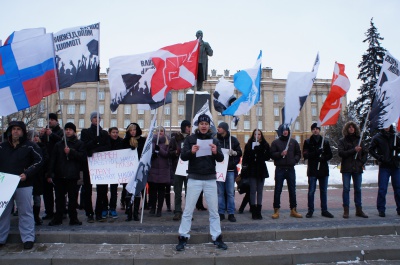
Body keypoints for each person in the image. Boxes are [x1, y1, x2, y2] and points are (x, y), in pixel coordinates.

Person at [176, 114, 227, 251]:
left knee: (214, 211)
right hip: (194, 178)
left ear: (209, 125)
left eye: (206, 123)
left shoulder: (214, 140)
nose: (204, 126)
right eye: (201, 123)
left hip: (210, 178)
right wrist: (191, 152)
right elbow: (183, 156)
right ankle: (183, 236)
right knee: (188, 210)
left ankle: (217, 237)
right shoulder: (190, 139)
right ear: (197, 125)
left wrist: (216, 152)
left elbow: (221, 158)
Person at [0, 121, 44, 250]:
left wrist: (27, 173)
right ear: (10, 131)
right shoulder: (2, 147)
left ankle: (28, 238)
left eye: (18, 129)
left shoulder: (30, 146)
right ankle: (1, 238)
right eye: (13, 129)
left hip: (24, 184)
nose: (15, 131)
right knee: (3, 213)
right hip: (5, 186)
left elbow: (40, 160)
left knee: (25, 212)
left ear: (23, 132)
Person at [48, 122, 86, 226]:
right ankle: (58, 218)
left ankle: (73, 218)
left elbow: (82, 157)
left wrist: (71, 152)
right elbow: (53, 160)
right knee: (59, 199)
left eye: (70, 129)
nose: (68, 131)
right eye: (66, 129)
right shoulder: (59, 144)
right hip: (60, 175)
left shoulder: (79, 144)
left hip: (72, 175)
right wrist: (50, 173)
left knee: (73, 199)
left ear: (74, 131)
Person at [80, 111, 110, 222]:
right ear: (91, 119)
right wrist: (94, 142)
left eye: (98, 118)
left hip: (101, 165)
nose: (96, 119)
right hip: (88, 164)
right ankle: (89, 213)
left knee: (102, 190)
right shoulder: (85, 132)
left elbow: (107, 147)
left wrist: (95, 150)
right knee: (87, 190)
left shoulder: (104, 133)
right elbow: (84, 146)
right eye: (94, 118)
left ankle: (98, 213)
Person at [302, 123, 334, 218]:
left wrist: (323, 158)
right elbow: (306, 155)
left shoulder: (325, 142)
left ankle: (324, 210)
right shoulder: (307, 142)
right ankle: (310, 210)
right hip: (312, 170)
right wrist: (316, 152)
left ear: (319, 130)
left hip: (323, 170)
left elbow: (330, 155)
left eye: (317, 129)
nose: (315, 130)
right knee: (311, 191)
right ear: (312, 130)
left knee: (323, 191)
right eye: (314, 129)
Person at [270, 124, 302, 219]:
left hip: (290, 169)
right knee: (278, 190)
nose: (285, 131)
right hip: (280, 169)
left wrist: (294, 160)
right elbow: (272, 154)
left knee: (292, 190)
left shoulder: (293, 142)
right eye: (283, 130)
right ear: (280, 131)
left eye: (286, 130)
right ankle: (276, 210)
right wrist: (280, 154)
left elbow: (298, 153)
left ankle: (293, 209)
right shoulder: (276, 142)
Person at [338, 121, 368, 218]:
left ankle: (359, 210)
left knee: (358, 189)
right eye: (349, 127)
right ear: (346, 129)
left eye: (352, 127)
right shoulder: (342, 141)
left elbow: (365, 153)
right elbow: (341, 153)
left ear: (355, 129)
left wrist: (361, 162)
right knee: (346, 189)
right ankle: (346, 210)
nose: (351, 128)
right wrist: (353, 150)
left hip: (357, 168)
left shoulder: (359, 140)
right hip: (346, 168)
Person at [369, 124, 400, 217]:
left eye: (388, 125)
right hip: (384, 166)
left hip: (395, 166)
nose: (387, 127)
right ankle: (381, 209)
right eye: (385, 125)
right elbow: (371, 150)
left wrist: (397, 149)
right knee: (382, 189)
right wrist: (379, 157)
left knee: (398, 188)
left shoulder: (395, 137)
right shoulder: (377, 137)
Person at [216, 122, 242, 222]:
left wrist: (234, 153)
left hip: (230, 169)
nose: (218, 129)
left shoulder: (233, 140)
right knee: (220, 192)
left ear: (225, 129)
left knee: (230, 192)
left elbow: (240, 152)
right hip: (219, 169)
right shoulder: (216, 140)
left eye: (220, 127)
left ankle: (231, 213)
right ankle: (221, 212)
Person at [242, 129, 270, 220]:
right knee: (253, 190)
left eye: (259, 134)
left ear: (261, 135)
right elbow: (245, 158)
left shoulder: (265, 144)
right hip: (252, 169)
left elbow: (267, 157)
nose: (257, 136)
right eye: (255, 134)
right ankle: (253, 211)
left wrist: (260, 151)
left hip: (261, 170)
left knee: (260, 190)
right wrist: (252, 152)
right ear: (253, 135)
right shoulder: (249, 144)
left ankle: (259, 211)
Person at [39, 113, 63, 221]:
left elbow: (62, 142)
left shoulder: (61, 131)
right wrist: (41, 136)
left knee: (59, 192)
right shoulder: (45, 132)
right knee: (47, 191)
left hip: (58, 165)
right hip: (46, 165)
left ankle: (60, 212)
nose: (50, 121)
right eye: (48, 120)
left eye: (52, 119)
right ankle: (49, 211)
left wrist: (51, 134)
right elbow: (41, 146)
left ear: (57, 121)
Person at [122, 123, 146, 221]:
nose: (133, 132)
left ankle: (135, 213)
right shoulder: (124, 141)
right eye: (131, 130)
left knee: (137, 192)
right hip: (127, 170)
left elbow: (146, 154)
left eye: (134, 130)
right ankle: (129, 212)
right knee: (128, 191)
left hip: (138, 170)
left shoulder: (142, 141)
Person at [169, 120, 191, 221]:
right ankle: (177, 211)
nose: (189, 128)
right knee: (177, 191)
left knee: (189, 192)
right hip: (178, 167)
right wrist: (175, 152)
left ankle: (188, 212)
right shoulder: (175, 138)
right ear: (184, 127)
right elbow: (169, 152)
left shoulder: (192, 138)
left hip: (189, 168)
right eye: (188, 126)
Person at [147, 127, 170, 217]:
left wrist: (159, 149)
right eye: (158, 131)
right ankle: (153, 207)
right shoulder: (151, 142)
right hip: (153, 169)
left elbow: (167, 154)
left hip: (163, 170)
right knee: (152, 191)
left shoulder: (167, 142)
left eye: (162, 131)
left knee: (161, 191)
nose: (160, 133)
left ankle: (159, 209)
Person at [28, 130, 49, 226]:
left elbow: (45, 159)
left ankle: (36, 215)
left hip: (38, 175)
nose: (36, 138)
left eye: (37, 136)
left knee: (37, 197)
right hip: (28, 175)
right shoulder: (26, 147)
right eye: (33, 136)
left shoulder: (42, 147)